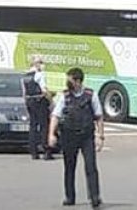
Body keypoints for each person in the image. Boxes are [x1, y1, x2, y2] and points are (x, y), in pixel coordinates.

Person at [48, 68, 103, 208]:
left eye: (70, 80)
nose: (68, 82)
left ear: (78, 81)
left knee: (91, 166)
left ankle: (95, 197)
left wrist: (100, 136)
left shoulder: (91, 95)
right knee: (69, 167)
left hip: (86, 136)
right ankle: (69, 196)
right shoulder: (64, 96)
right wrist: (51, 134)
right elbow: (56, 116)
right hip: (69, 135)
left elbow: (99, 116)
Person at [23, 57, 53, 161]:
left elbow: (24, 93)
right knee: (44, 126)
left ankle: (33, 151)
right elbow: (44, 90)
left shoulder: (25, 76)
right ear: (36, 64)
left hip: (30, 102)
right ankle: (46, 150)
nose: (43, 65)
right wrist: (51, 100)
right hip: (40, 101)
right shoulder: (39, 75)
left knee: (33, 126)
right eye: (41, 62)